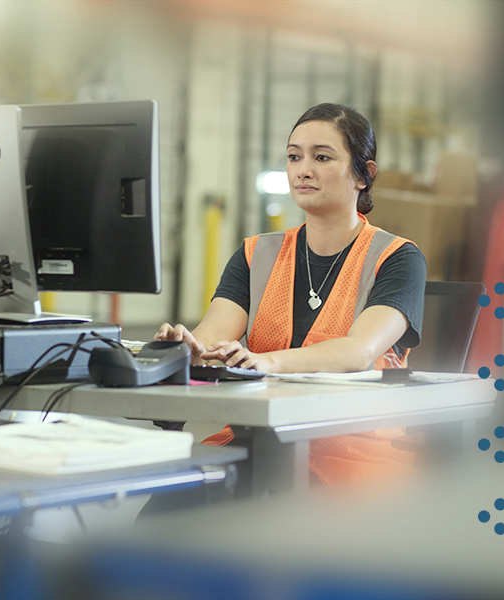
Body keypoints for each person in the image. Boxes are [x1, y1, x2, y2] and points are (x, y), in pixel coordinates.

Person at [155, 103, 427, 486]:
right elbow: (215, 334)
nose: (303, 170)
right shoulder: (256, 254)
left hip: (351, 452)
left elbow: (358, 352)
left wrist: (267, 363)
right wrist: (189, 347)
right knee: (171, 503)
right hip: (263, 438)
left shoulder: (398, 258)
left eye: (322, 157)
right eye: (294, 156)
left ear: (363, 175)